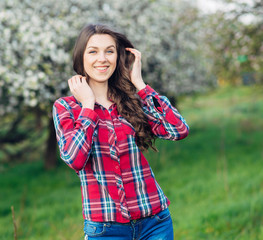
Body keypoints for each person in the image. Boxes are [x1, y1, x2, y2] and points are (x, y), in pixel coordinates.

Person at [52, 23, 189, 240]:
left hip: (155, 221)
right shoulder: (66, 107)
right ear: (81, 57)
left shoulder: (131, 101)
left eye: (109, 51)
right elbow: (74, 158)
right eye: (93, 51)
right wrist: (88, 106)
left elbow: (178, 129)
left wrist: (140, 84)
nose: (102, 58)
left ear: (118, 57)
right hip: (106, 229)